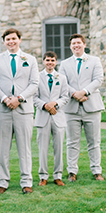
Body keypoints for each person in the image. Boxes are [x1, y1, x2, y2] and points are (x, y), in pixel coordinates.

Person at [0, 28, 38, 194]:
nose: (11, 42)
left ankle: (26, 182)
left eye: (14, 39)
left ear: (19, 40)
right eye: (8, 39)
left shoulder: (30, 59)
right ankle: (2, 182)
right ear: (4, 42)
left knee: (24, 148)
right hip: (2, 109)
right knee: (2, 148)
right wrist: (5, 99)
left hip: (23, 110)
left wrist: (19, 98)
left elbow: (34, 83)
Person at [60, 33, 104, 182]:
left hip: (91, 106)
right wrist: (74, 94)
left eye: (78, 43)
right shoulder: (65, 64)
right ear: (70, 46)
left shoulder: (94, 60)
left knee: (94, 141)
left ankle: (97, 171)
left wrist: (84, 92)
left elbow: (98, 79)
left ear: (84, 44)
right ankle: (72, 171)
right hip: (72, 108)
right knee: (72, 142)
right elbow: (62, 82)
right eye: (73, 43)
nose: (76, 45)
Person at [34, 51, 70, 187]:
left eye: (52, 60)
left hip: (58, 116)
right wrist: (45, 105)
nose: (50, 63)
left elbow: (65, 97)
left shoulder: (62, 78)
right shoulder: (37, 77)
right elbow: (34, 97)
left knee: (59, 148)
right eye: (47, 60)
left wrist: (54, 104)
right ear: (43, 61)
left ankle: (58, 175)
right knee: (42, 148)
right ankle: (43, 176)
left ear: (56, 62)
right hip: (42, 117)